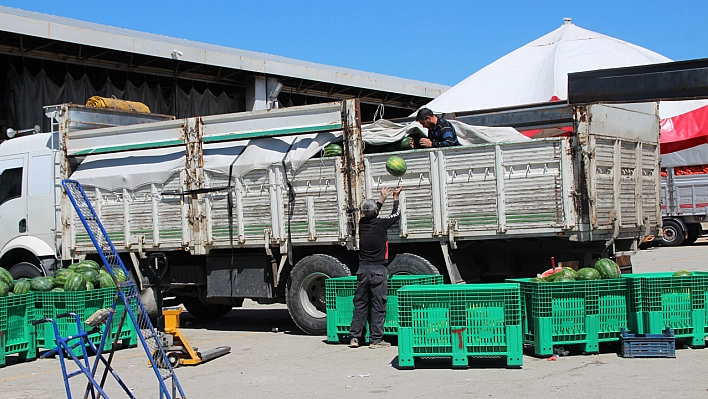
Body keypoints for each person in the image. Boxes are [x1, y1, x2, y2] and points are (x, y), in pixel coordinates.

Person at [349, 186, 402, 349]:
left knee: (360, 304)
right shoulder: (381, 224)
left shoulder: (362, 223)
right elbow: (397, 214)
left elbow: (372, 212)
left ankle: (355, 337)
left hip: (362, 270)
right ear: (375, 213)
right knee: (378, 305)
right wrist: (395, 198)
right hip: (378, 270)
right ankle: (376, 340)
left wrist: (381, 198)